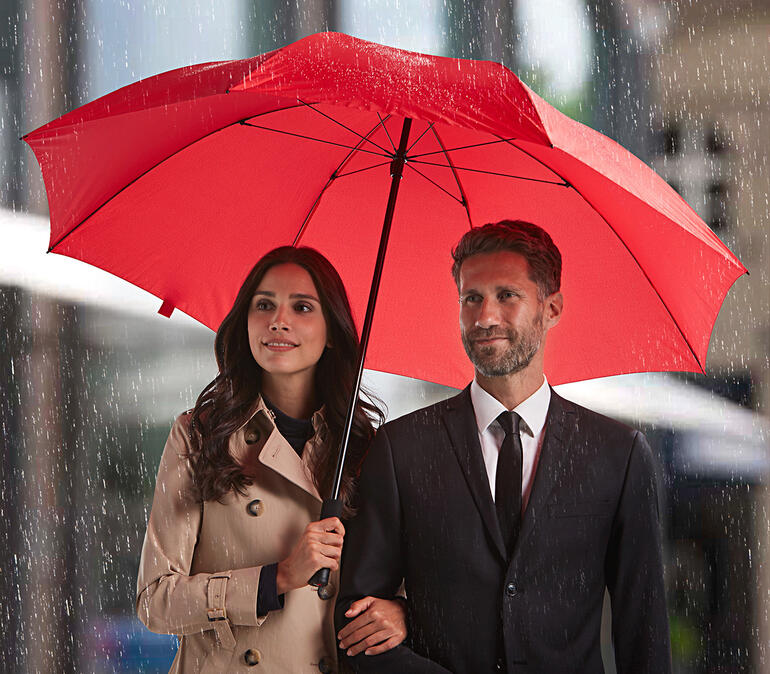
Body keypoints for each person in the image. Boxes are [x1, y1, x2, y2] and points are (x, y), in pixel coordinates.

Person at [335, 221, 672, 673]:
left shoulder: (618, 454)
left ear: (551, 309)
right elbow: (355, 627)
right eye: (471, 298)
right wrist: (409, 616)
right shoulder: (401, 449)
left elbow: (644, 634)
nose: (484, 317)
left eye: (506, 296)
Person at [137, 246, 407, 673]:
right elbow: (156, 601)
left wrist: (401, 612)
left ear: (331, 331)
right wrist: (275, 579)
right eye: (264, 305)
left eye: (302, 307)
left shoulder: (366, 449)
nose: (278, 320)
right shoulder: (200, 435)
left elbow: (407, 581)